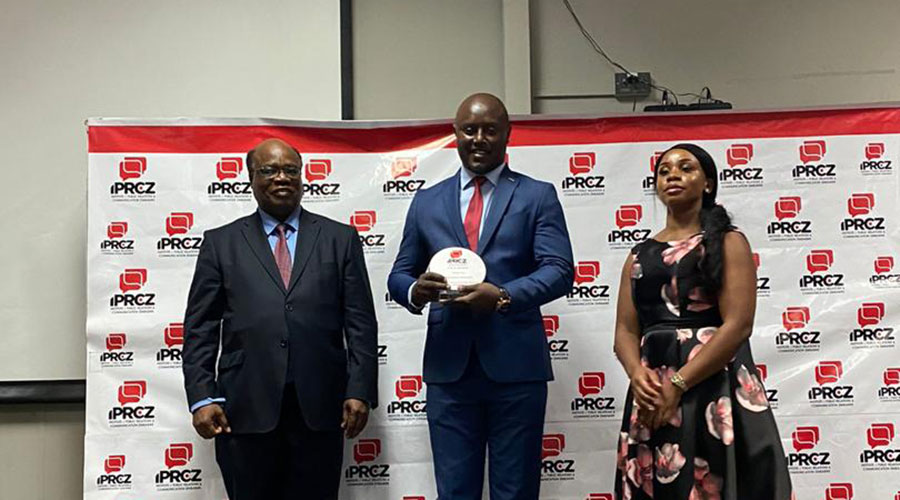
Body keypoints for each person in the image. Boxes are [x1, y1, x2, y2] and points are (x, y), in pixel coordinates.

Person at [387, 93, 575, 499]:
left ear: (507, 134)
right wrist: (416, 290)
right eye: (469, 130)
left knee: (515, 491)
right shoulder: (426, 201)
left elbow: (560, 271)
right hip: (449, 370)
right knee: (454, 492)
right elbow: (398, 276)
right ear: (455, 133)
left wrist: (503, 295)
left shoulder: (537, 195)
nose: (478, 138)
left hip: (517, 368)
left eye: (490, 130)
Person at [182, 138, 378, 500]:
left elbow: (361, 323)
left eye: (290, 170)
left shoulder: (340, 238)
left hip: (321, 407)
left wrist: (360, 390)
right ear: (250, 178)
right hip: (244, 408)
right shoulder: (221, 243)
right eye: (269, 170)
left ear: (302, 177)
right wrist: (202, 397)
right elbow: (200, 328)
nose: (282, 177)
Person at [612, 144, 793, 499]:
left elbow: (738, 325)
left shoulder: (727, 242)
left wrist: (679, 383)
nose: (673, 176)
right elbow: (625, 330)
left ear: (707, 183)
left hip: (714, 386)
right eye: (664, 171)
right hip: (652, 390)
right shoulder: (638, 255)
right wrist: (637, 374)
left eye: (686, 168)